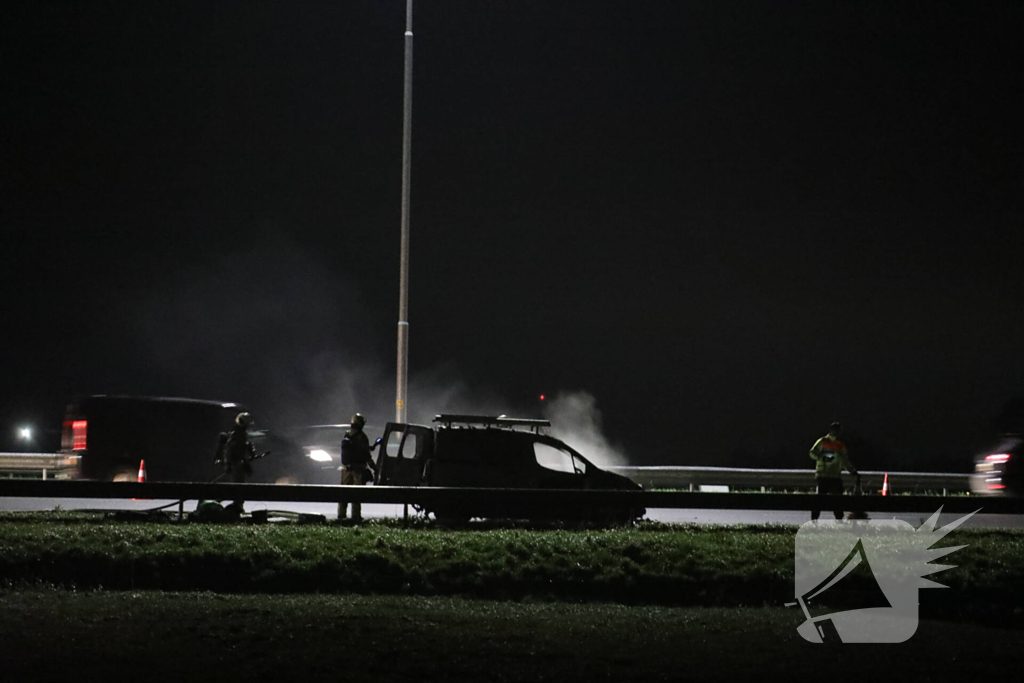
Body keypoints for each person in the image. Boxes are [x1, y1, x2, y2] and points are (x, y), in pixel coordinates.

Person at [808, 421, 859, 521]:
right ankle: (814, 520)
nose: (837, 432)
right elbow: (812, 452)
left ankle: (838, 519)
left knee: (837, 500)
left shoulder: (840, 445)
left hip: (834, 476)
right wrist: (822, 458)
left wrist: (852, 471)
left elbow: (845, 460)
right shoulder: (823, 441)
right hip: (824, 476)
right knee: (822, 500)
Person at [338, 413, 377, 523]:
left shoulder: (347, 435)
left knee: (344, 494)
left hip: (346, 469)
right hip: (358, 470)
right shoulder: (362, 437)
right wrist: (374, 468)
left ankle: (341, 515)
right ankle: (356, 516)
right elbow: (366, 455)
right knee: (357, 494)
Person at [216, 411, 257, 514]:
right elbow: (230, 450)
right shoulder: (238, 434)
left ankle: (238, 505)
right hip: (236, 464)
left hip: (237, 463)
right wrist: (229, 464)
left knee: (239, 485)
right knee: (238, 487)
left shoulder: (239, 433)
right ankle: (236, 506)